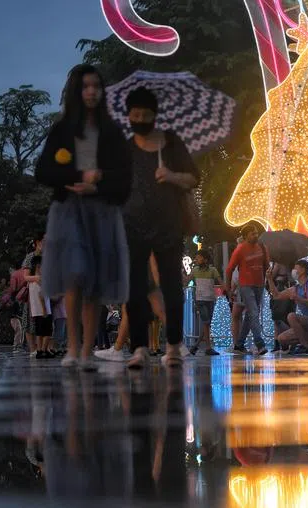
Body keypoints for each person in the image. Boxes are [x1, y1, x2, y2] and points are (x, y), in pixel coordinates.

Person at [35, 63, 133, 371]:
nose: (91, 92)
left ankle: (88, 348)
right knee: (74, 275)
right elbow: (44, 171)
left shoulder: (112, 131)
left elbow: (124, 176)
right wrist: (75, 175)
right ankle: (73, 346)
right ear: (77, 92)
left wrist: (99, 179)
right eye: (85, 87)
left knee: (94, 279)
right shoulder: (63, 130)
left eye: (96, 86)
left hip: (101, 211)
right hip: (69, 212)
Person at [121, 86, 200, 370]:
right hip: (133, 226)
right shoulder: (126, 148)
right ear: (128, 115)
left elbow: (193, 178)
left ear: (154, 115)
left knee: (170, 284)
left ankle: (173, 345)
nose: (140, 119)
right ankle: (139, 348)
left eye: (145, 114)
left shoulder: (171, 143)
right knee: (135, 286)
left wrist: (171, 175)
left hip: (168, 225)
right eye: (135, 114)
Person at [226, 223, 271, 356]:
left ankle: (239, 344)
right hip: (245, 285)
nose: (256, 235)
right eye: (253, 233)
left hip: (259, 284)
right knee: (254, 311)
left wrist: (269, 278)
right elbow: (229, 269)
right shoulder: (240, 249)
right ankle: (260, 343)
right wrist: (228, 288)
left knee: (251, 315)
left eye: (256, 233)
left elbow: (267, 265)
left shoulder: (262, 247)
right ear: (245, 236)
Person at [268, 259, 308, 354]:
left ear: (302, 270)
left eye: (295, 268)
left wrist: (297, 298)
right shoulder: (295, 288)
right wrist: (270, 279)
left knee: (291, 316)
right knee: (281, 338)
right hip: (306, 326)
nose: (293, 271)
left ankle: (306, 346)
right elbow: (276, 296)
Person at [190, 249, 223, 356]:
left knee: (207, 324)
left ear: (205, 259)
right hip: (200, 300)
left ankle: (196, 346)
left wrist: (226, 289)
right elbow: (187, 280)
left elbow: (220, 281)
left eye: (198, 257)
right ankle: (208, 347)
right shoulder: (195, 270)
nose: (196, 259)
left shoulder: (212, 270)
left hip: (210, 300)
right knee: (206, 322)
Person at [27, 256, 55, 358]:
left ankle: (39, 350)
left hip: (36, 311)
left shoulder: (30, 281)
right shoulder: (40, 280)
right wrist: (44, 309)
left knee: (39, 332)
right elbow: (42, 296)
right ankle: (43, 350)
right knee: (48, 331)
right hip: (44, 310)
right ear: (39, 267)